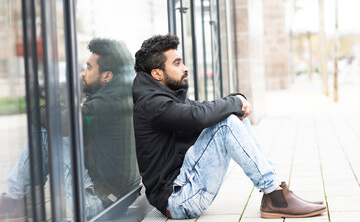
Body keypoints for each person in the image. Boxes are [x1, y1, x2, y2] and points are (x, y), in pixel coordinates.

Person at [132, 34, 327, 219]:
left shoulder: (164, 99)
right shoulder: (153, 104)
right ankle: (274, 194)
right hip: (178, 200)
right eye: (177, 63)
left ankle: (275, 190)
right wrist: (235, 101)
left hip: (184, 189)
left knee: (231, 117)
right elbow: (198, 116)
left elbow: (202, 109)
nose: (185, 68)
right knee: (225, 123)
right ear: (157, 74)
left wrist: (236, 102)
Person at [0, 38, 138, 221]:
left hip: (99, 204)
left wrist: (36, 110)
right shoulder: (122, 96)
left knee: (47, 130)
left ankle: (14, 197)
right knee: (55, 130)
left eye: (89, 68)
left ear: (107, 76)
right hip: (121, 196)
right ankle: (15, 196)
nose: (83, 73)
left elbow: (62, 121)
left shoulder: (105, 103)